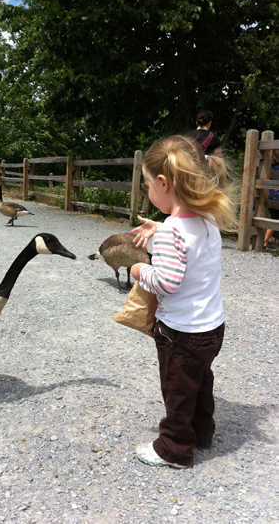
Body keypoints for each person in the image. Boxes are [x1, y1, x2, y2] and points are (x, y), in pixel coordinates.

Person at [130, 134, 237, 468]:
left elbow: (167, 281)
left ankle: (174, 448)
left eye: (148, 184)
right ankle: (202, 432)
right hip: (212, 328)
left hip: (181, 333)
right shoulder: (207, 221)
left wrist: (137, 270)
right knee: (200, 380)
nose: (148, 190)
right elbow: (184, 238)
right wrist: (161, 228)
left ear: (163, 182)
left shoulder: (169, 233)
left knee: (177, 389)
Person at [264, 149, 279, 251]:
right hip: (277, 195)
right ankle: (264, 242)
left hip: (267, 194)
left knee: (273, 216)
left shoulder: (266, 167)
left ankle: (268, 240)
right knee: (275, 218)